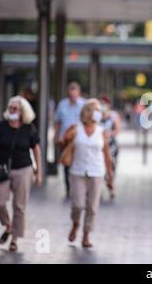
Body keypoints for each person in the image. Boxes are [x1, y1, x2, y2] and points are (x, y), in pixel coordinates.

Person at [0, 96, 42, 252]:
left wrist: (39, 171)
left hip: (23, 168)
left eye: (15, 108)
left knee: (19, 206)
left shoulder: (29, 128)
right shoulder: (1, 126)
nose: (11, 110)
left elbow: (36, 149)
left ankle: (15, 239)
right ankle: (8, 225)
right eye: (10, 107)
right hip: (2, 167)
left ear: (22, 111)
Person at [62, 99, 114, 248]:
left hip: (97, 172)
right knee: (77, 204)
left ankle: (86, 235)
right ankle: (75, 223)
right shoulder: (76, 128)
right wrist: (66, 136)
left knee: (92, 206)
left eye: (100, 110)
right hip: (77, 171)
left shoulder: (102, 131)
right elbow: (62, 143)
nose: (99, 113)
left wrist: (110, 177)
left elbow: (107, 155)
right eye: (96, 110)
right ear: (87, 112)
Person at [54, 82, 85, 197]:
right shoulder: (62, 104)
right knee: (66, 162)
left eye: (75, 93)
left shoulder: (83, 104)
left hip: (78, 139)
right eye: (71, 93)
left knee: (78, 162)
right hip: (65, 140)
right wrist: (56, 136)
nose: (72, 95)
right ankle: (68, 187)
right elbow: (57, 122)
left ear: (78, 93)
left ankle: (78, 187)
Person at [99, 95, 121, 199]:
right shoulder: (96, 115)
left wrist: (110, 134)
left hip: (111, 145)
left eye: (104, 103)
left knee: (111, 167)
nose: (102, 106)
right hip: (99, 145)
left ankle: (111, 186)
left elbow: (117, 129)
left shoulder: (113, 115)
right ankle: (100, 188)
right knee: (100, 167)